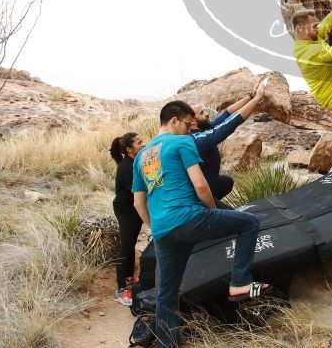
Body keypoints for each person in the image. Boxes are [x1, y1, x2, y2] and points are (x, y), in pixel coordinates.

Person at [132, 99, 269, 348]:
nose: (190, 128)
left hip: (163, 232)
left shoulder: (142, 155)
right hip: (189, 217)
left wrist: (155, 227)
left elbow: (138, 203)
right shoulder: (181, 142)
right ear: (173, 120)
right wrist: (213, 212)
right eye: (187, 123)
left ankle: (167, 344)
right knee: (249, 223)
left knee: (166, 294)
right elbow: (201, 185)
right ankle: (240, 283)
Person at [190, 79, 267, 208]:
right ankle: (208, 210)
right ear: (192, 121)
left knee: (226, 182)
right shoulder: (197, 140)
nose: (207, 114)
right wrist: (258, 98)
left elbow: (227, 114)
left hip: (209, 185)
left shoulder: (204, 128)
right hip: (199, 196)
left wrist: (251, 96)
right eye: (202, 113)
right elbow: (231, 122)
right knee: (245, 222)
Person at [109, 131, 146, 306]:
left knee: (131, 245)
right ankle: (121, 290)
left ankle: (130, 280)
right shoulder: (127, 167)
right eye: (139, 143)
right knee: (126, 247)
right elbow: (137, 193)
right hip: (126, 211)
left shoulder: (134, 162)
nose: (143, 144)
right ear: (130, 149)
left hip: (133, 208)